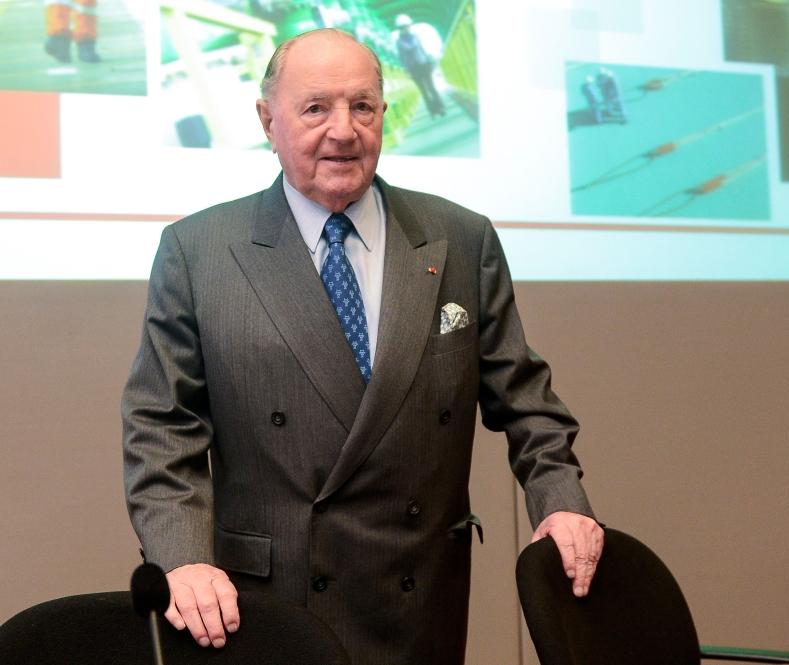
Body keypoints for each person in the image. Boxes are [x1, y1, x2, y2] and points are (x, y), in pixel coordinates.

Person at [122, 28, 603, 665]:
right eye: (316, 108)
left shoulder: (460, 238)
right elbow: (161, 427)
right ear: (268, 120)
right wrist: (181, 557)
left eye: (363, 106)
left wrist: (562, 503)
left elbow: (526, 400)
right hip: (267, 606)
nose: (344, 131)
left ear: (383, 113)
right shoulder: (200, 251)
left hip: (417, 595)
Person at [394, 14, 446, 118]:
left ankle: (441, 107)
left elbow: (422, 50)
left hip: (424, 65)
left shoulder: (415, 37)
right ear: (400, 28)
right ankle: (433, 111)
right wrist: (407, 71)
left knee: (432, 87)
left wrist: (430, 63)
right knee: (424, 91)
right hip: (414, 69)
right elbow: (402, 58)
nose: (406, 28)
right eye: (403, 26)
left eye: (407, 25)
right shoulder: (399, 42)